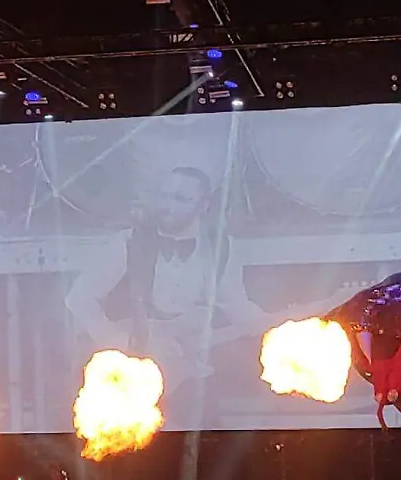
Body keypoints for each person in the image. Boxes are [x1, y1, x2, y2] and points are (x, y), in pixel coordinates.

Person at [64, 166, 272, 395]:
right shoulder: (130, 241)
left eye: (181, 199)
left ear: (204, 205)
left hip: (185, 362)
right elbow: (78, 298)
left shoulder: (221, 247)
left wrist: (272, 323)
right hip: (130, 366)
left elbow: (234, 304)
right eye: (164, 196)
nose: (168, 206)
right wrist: (116, 340)